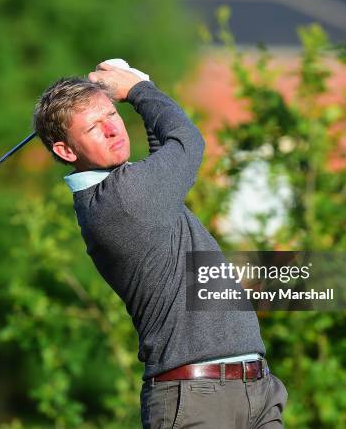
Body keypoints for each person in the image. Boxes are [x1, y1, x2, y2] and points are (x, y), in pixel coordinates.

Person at [33, 61, 288, 428]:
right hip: (196, 401)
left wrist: (142, 87)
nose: (111, 129)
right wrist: (138, 90)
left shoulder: (128, 189)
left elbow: (163, 153)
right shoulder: (123, 197)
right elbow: (185, 142)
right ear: (67, 151)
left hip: (255, 392)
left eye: (111, 114)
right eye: (92, 127)